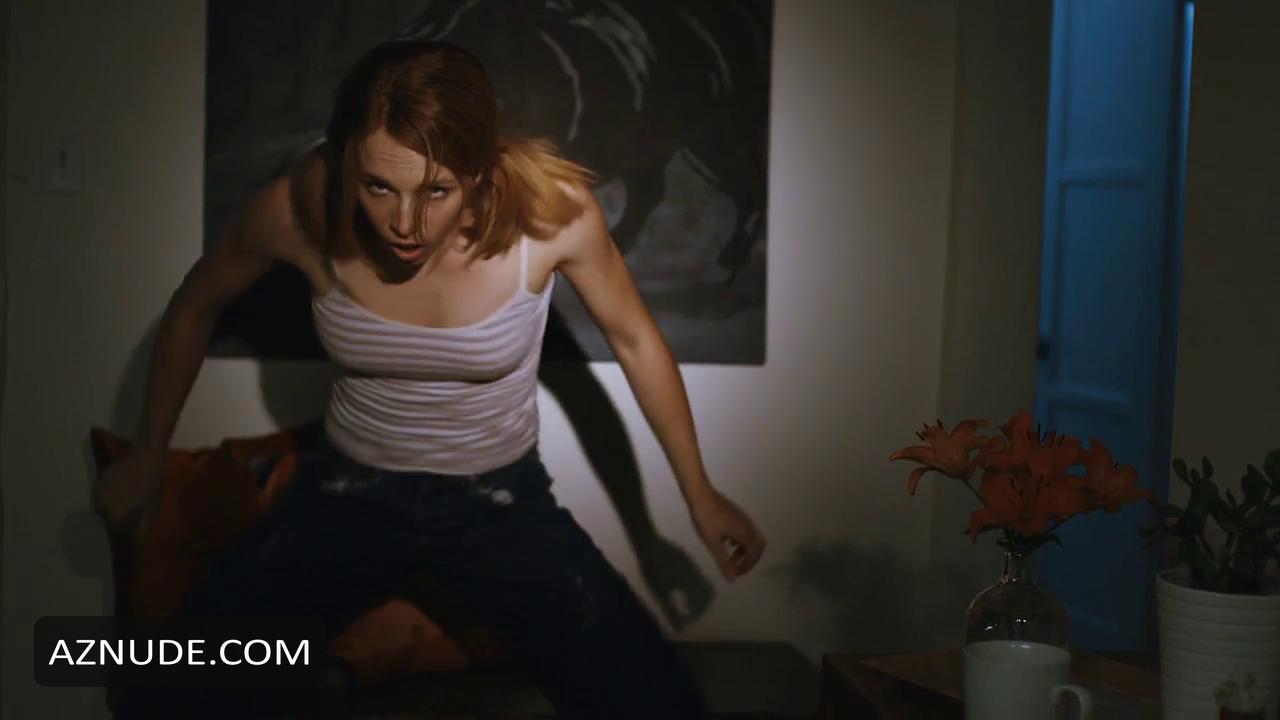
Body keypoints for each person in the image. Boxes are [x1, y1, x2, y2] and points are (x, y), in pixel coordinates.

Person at [95, 39, 766, 718]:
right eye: (378, 186)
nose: (404, 224)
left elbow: (635, 340)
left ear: (480, 169)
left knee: (657, 703)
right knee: (167, 688)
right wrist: (149, 451)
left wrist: (699, 494)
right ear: (346, 162)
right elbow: (194, 306)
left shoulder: (548, 214)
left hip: (498, 503)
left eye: (436, 191)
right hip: (348, 494)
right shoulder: (300, 209)